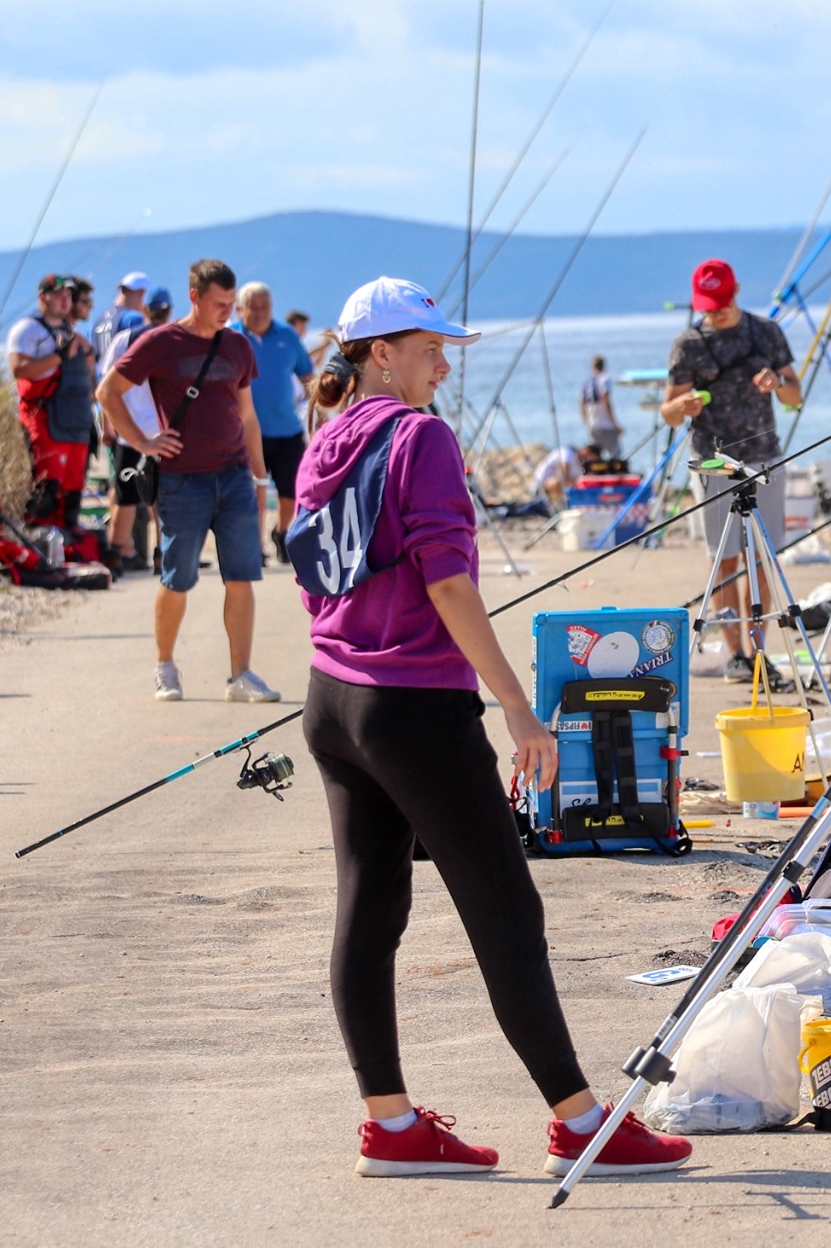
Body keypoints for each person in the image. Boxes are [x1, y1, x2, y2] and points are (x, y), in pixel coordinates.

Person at [293, 275, 691, 1179]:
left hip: (335, 700)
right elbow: (446, 580)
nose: (444, 362)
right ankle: (581, 1121)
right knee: (506, 907)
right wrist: (515, 704)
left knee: (371, 905)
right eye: (429, 346)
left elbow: (319, 574)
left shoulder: (325, 442)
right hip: (413, 708)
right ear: (379, 352)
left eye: (445, 346)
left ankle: (391, 1128)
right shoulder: (419, 436)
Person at [98, 259, 280, 704]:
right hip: (182, 481)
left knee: (241, 576)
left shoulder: (238, 346)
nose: (227, 312)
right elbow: (107, 392)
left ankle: (241, 675)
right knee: (177, 578)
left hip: (234, 476)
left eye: (231, 304)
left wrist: (259, 478)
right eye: (219, 304)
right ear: (194, 297)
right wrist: (142, 442)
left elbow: (248, 416)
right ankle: (165, 666)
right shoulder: (161, 342)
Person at [660, 258, 801, 687]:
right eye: (708, 305)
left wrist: (776, 382)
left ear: (736, 290)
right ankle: (735, 652)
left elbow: (795, 396)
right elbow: (667, 411)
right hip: (712, 460)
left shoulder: (766, 333)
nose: (715, 311)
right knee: (723, 560)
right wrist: (681, 408)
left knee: (760, 557)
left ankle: (760, 652)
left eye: (721, 302)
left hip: (763, 456)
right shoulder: (688, 344)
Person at [232, 281, 316, 564]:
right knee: (251, 494)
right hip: (244, 433)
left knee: (291, 493)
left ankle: (281, 533)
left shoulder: (287, 336)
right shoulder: (231, 337)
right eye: (252, 307)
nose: (259, 313)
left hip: (286, 430)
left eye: (264, 307)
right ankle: (253, 547)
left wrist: (321, 403)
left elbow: (307, 373)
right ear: (240, 309)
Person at [7, 274, 95, 533]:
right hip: (43, 415)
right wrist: (58, 357)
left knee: (73, 485)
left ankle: (67, 538)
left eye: (68, 296)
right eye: (57, 295)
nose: (64, 301)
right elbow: (19, 369)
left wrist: (85, 353)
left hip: (74, 417)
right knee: (49, 482)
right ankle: (40, 538)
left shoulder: (71, 332)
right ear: (43, 297)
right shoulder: (28, 329)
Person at [98, 280, 160, 574]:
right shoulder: (173, 339)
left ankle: (115, 555)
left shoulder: (123, 339)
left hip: (128, 432)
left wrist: (108, 426)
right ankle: (164, 554)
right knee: (160, 497)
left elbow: (106, 387)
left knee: (125, 499)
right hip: (160, 433)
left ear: (146, 309)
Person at [579, 355, 622, 460]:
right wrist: (615, 424)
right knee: (615, 455)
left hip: (592, 424)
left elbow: (582, 404)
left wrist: (587, 421)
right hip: (605, 424)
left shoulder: (586, 382)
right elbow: (605, 401)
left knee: (595, 456)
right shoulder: (604, 378)